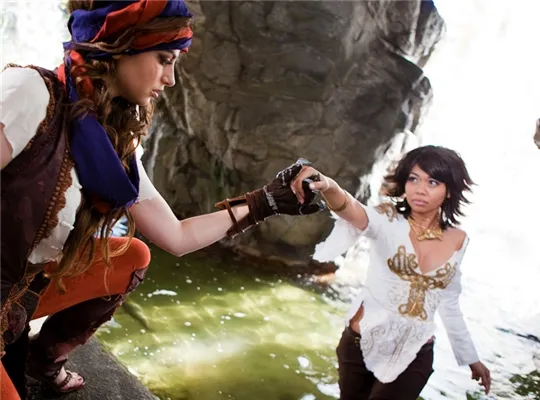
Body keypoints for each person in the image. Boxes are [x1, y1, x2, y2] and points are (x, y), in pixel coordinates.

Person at [0, 1, 323, 398]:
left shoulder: (113, 142)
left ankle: (43, 358)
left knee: (133, 256)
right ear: (120, 46)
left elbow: (177, 236)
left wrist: (266, 202)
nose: (170, 79)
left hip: (18, 295)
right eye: (164, 60)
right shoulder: (31, 93)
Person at [289, 145, 492, 399]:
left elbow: (449, 303)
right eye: (413, 179)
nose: (420, 189)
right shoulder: (386, 219)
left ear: (449, 190)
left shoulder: (458, 240)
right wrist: (328, 186)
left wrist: (471, 358)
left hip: (414, 355)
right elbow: (351, 209)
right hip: (359, 347)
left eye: (432, 182)